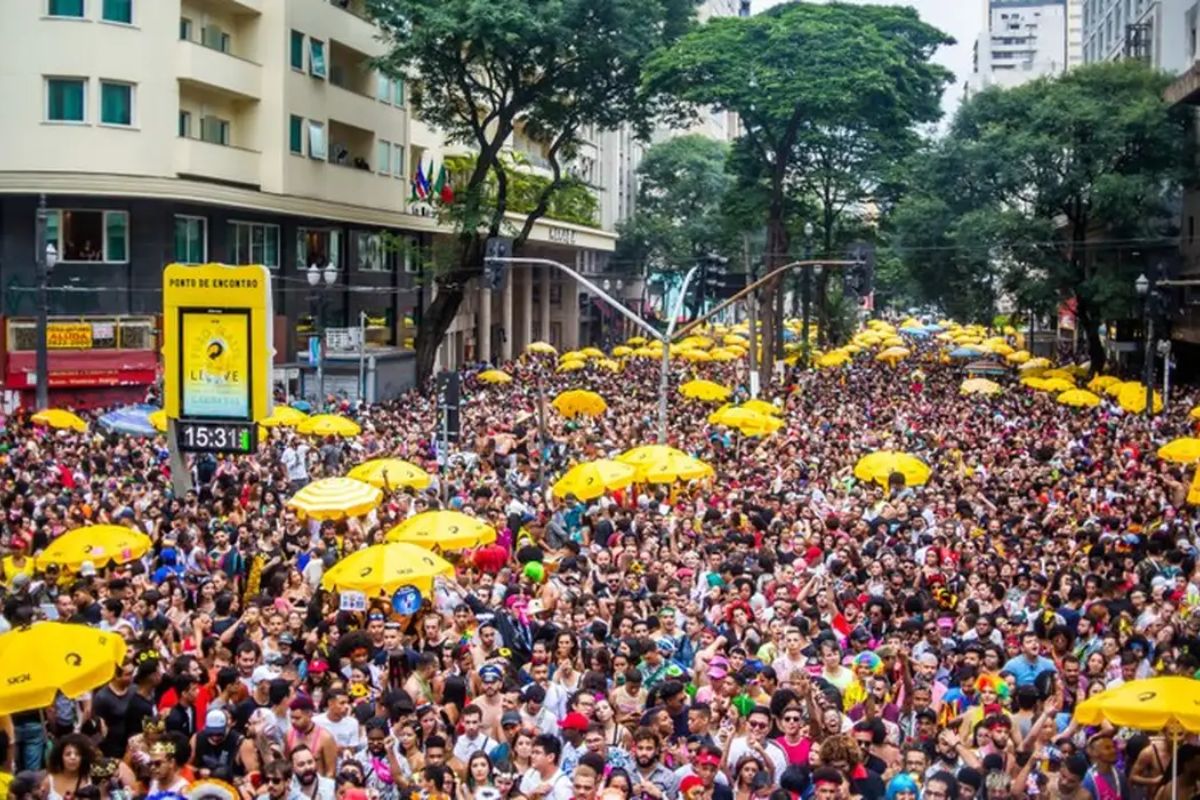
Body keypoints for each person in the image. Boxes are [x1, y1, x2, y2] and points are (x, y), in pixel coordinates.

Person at [517, 734, 572, 800]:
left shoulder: (562, 783)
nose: (532, 756)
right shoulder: (530, 773)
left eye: (537, 753)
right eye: (532, 752)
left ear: (550, 757)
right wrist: (532, 794)